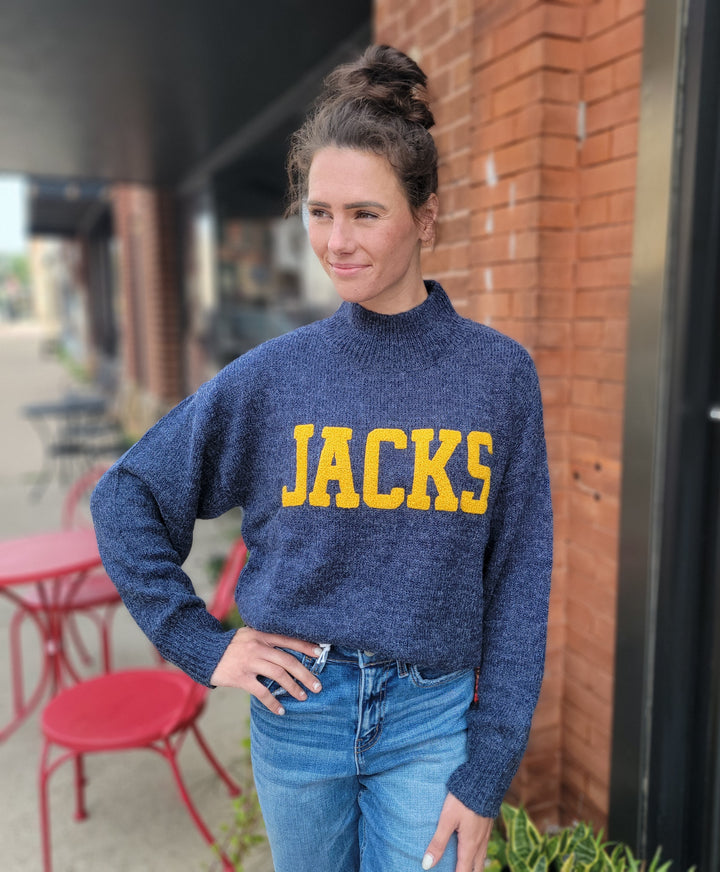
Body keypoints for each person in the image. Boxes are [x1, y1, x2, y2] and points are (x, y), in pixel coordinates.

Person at [91, 44, 552, 872]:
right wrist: (202, 642)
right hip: (299, 715)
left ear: (428, 218)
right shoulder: (274, 377)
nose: (335, 242)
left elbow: (519, 581)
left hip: (429, 720)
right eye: (319, 211)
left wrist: (486, 775)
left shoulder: (498, 379)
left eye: (365, 214)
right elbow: (125, 498)